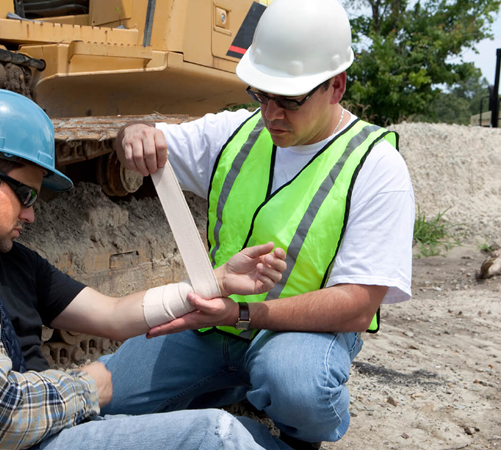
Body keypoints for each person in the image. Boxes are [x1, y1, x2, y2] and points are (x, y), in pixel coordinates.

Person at [0, 88, 293, 449]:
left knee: (224, 414)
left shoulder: (12, 260)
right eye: (26, 195)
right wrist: (90, 385)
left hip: (33, 426)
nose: (32, 214)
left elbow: (112, 315)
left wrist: (214, 282)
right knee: (214, 436)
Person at [99, 0, 415, 448]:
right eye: (262, 95)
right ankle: (234, 391)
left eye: (290, 100)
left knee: (298, 386)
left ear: (337, 86)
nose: (271, 114)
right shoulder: (236, 133)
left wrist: (243, 314)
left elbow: (358, 306)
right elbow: (142, 137)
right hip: (212, 326)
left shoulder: (376, 166)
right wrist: (132, 133)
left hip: (300, 337)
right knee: (108, 398)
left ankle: (295, 437)